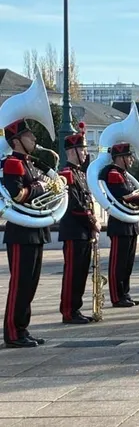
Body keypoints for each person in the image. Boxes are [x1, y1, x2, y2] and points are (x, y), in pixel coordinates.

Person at [1, 119, 52, 347]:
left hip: (35, 228)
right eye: (29, 136)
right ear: (16, 140)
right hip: (21, 231)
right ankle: (13, 333)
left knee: (31, 283)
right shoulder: (13, 163)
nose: (34, 139)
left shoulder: (32, 164)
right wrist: (40, 187)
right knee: (20, 283)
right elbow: (17, 195)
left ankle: (22, 329)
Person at [58, 130, 101, 324]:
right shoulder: (67, 173)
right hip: (73, 230)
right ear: (72, 151)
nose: (85, 153)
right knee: (72, 273)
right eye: (82, 150)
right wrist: (93, 222)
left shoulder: (80, 174)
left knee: (81, 272)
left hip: (83, 231)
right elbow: (75, 206)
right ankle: (68, 311)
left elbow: (87, 203)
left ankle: (76, 308)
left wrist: (91, 225)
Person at [100, 142, 139, 308]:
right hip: (120, 223)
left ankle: (125, 293)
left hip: (129, 223)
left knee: (128, 263)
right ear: (120, 158)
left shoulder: (124, 175)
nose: (132, 159)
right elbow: (125, 196)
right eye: (128, 156)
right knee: (118, 263)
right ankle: (116, 295)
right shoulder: (114, 174)